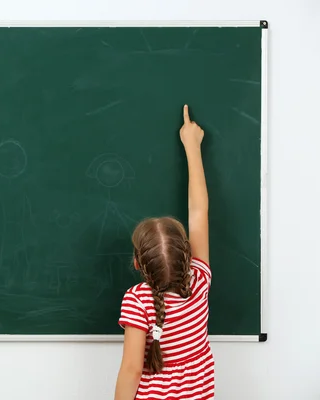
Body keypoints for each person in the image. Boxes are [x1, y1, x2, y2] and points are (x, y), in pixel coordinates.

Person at [114, 105, 214, 400]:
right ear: (187, 254)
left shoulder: (138, 301)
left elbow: (132, 370)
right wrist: (192, 147)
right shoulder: (199, 279)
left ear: (137, 263)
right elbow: (199, 212)